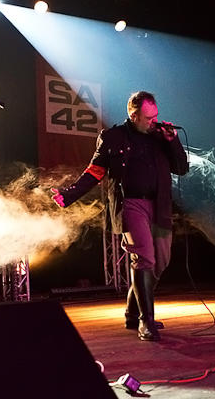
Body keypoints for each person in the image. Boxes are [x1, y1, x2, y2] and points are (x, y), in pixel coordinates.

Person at [52, 91, 189, 341]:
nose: (154, 122)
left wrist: (173, 141)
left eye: (156, 116)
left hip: (159, 206)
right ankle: (145, 321)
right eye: (149, 117)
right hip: (131, 205)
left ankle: (132, 310)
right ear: (134, 115)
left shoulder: (161, 137)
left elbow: (182, 168)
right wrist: (70, 194)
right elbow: (94, 172)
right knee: (144, 258)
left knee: (161, 260)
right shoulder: (112, 137)